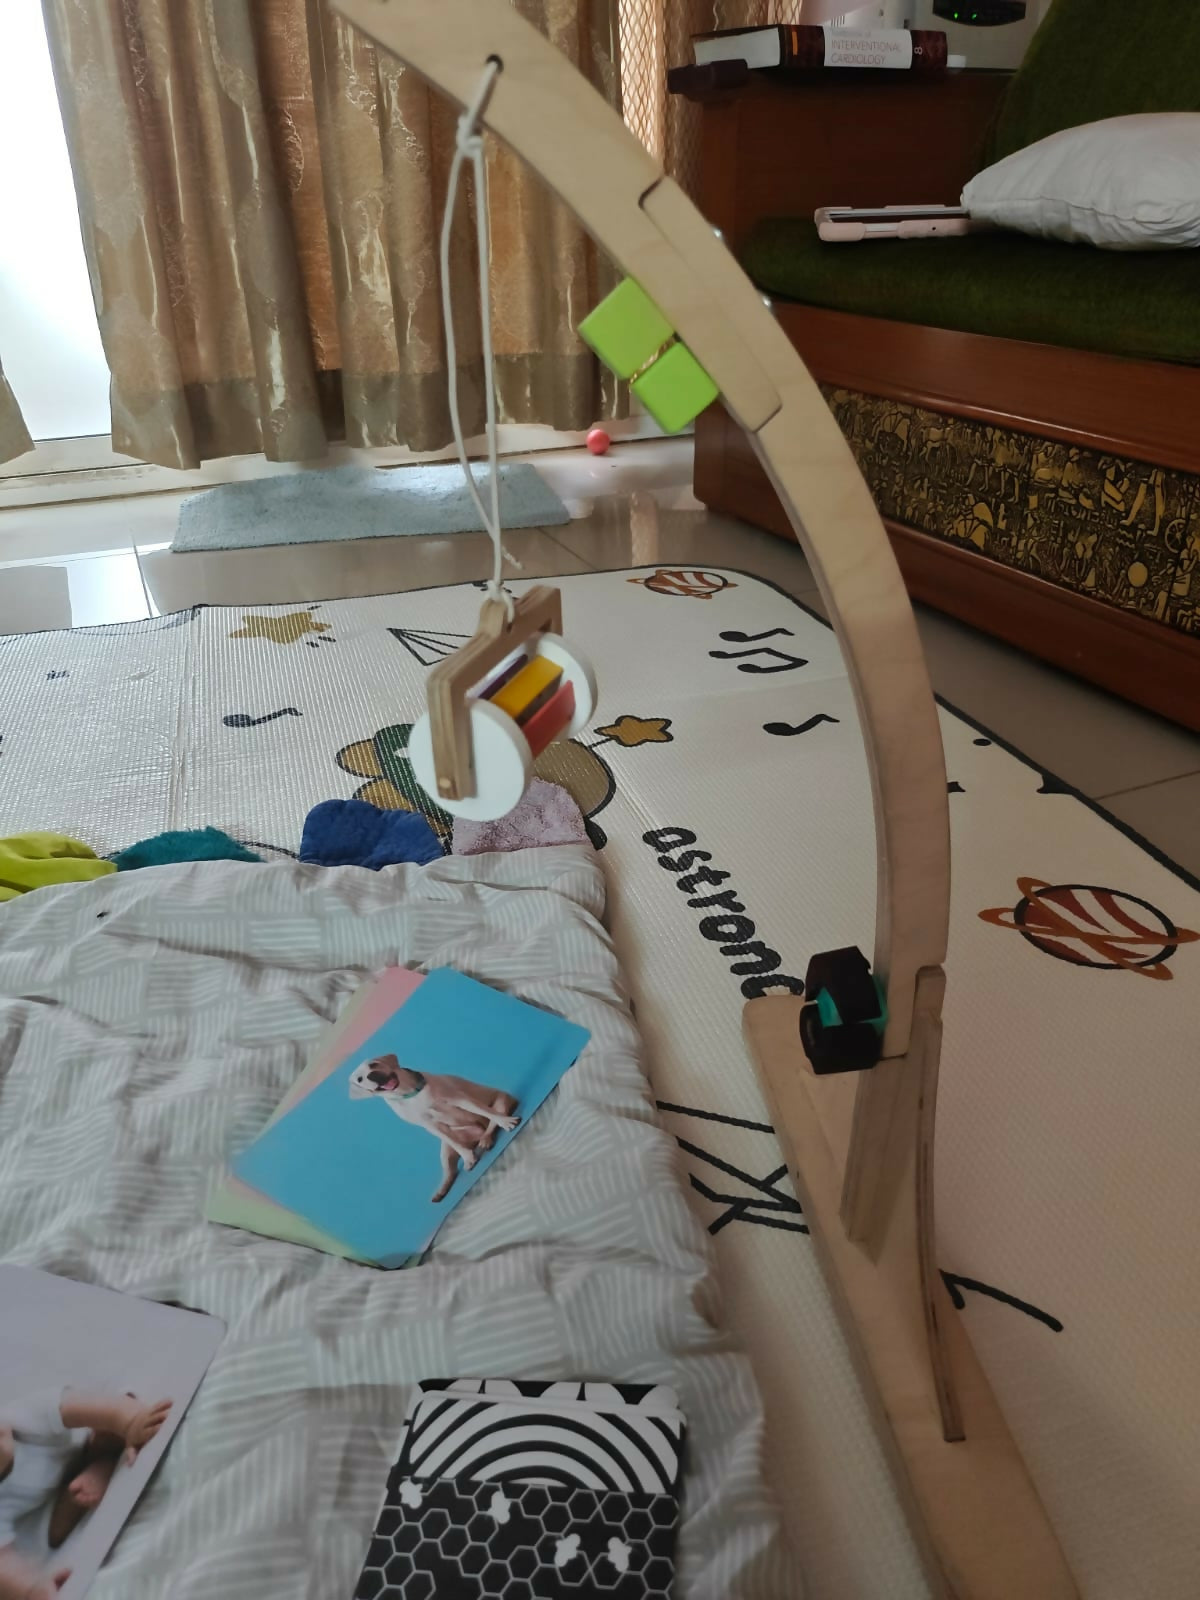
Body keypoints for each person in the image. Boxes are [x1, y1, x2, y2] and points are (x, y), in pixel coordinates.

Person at [0, 1388, 170, 1600]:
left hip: (76, 1450)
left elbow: (74, 1407)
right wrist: (31, 1590)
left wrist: (131, 1421)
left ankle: (104, 1450)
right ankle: (94, 1474)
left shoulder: (21, 1418)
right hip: (45, 1512)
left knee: (106, 1416)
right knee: (49, 1534)